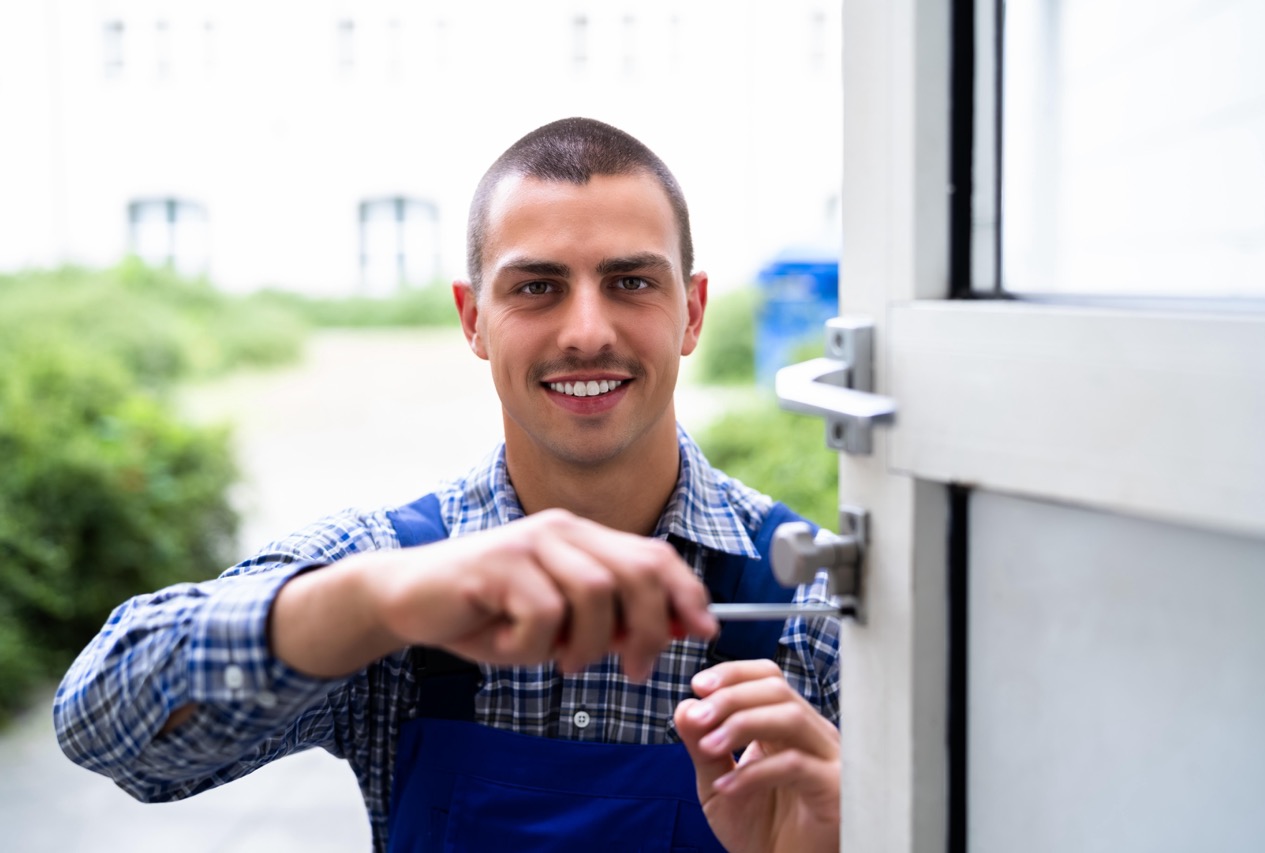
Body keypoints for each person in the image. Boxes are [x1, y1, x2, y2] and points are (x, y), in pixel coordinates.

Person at [54, 117, 841, 853]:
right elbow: (106, 728)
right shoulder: (395, 570)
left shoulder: (813, 607)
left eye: (631, 281)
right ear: (472, 319)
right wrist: (372, 602)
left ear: (693, 311)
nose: (587, 331)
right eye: (536, 286)